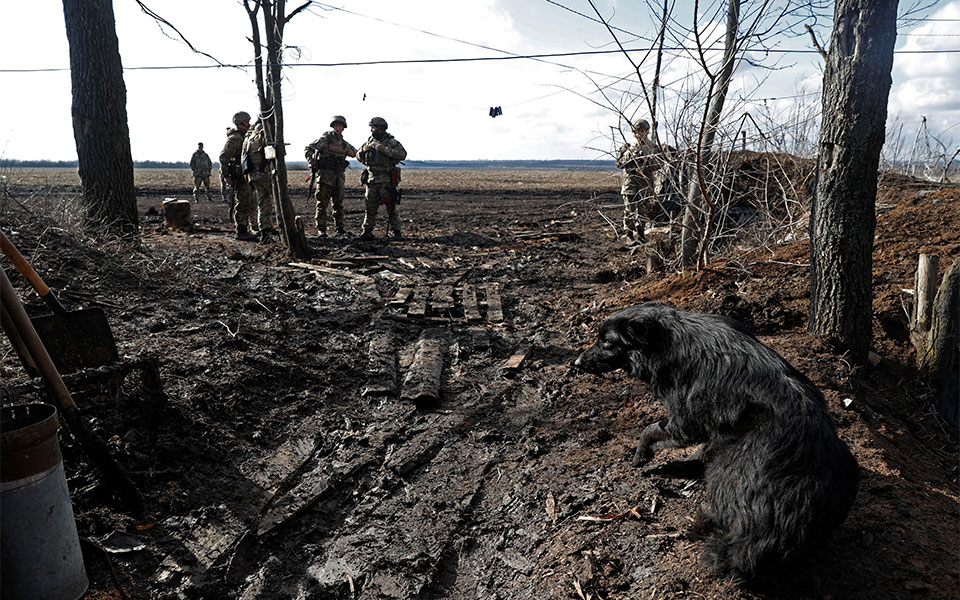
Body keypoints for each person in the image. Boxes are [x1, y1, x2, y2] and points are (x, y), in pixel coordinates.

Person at [304, 115, 357, 237]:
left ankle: (340, 228)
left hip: (339, 177)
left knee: (338, 204)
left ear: (343, 128)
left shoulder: (344, 143)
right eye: (336, 125)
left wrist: (351, 153)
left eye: (341, 126)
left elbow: (355, 153)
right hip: (325, 177)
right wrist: (311, 161)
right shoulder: (325, 139)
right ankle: (321, 229)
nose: (338, 128)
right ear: (333, 126)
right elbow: (309, 149)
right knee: (322, 204)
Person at [356, 117, 407, 240]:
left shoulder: (391, 142)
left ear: (380, 128)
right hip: (371, 180)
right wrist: (363, 151)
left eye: (373, 127)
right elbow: (358, 155)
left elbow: (402, 154)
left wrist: (384, 150)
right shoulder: (369, 141)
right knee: (370, 207)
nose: (371, 130)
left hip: (386, 181)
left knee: (391, 207)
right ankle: (367, 231)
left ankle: (397, 232)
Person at [616, 119, 660, 243]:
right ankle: (629, 235)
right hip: (630, 182)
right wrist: (631, 155)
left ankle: (641, 234)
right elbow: (619, 163)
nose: (640, 134)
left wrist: (649, 160)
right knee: (629, 209)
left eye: (643, 131)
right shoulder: (627, 146)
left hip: (645, 182)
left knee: (644, 209)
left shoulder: (652, 147)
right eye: (638, 132)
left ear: (646, 131)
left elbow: (658, 165)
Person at [219, 111, 257, 241]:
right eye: (247, 121)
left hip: (245, 174)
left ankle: (246, 228)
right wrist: (226, 176)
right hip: (239, 176)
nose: (249, 123)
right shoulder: (235, 138)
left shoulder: (244, 135)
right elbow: (223, 157)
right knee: (242, 202)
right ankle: (241, 231)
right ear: (241, 123)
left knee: (248, 202)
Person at [240, 117, 278, 242]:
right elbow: (272, 153)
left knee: (263, 203)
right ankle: (266, 232)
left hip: (254, 175)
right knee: (269, 203)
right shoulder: (264, 134)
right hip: (264, 173)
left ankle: (266, 229)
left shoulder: (249, 136)